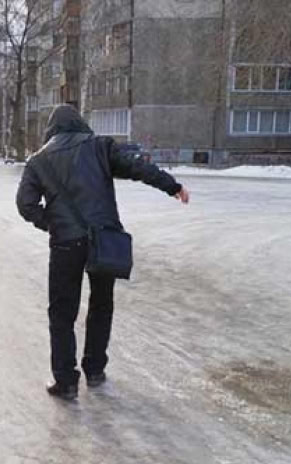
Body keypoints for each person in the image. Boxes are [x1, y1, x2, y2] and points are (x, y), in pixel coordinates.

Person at [16, 104, 189, 400]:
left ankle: (66, 381)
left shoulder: (38, 161)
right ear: (80, 124)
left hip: (65, 245)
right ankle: (95, 369)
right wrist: (172, 186)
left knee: (62, 312)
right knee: (101, 305)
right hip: (103, 239)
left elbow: (25, 205)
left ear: (51, 129)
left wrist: (54, 224)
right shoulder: (99, 147)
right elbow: (138, 168)